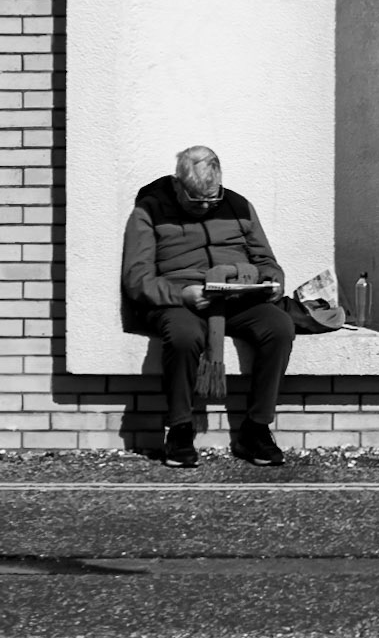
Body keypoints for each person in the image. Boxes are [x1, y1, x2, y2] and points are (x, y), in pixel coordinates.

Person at [121, 145, 294, 468]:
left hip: (236, 296)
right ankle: (180, 430)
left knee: (280, 327)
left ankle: (256, 429)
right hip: (180, 297)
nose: (205, 206)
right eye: (196, 199)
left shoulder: (239, 206)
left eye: (212, 199)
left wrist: (272, 280)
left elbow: (266, 260)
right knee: (185, 336)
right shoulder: (148, 211)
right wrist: (181, 295)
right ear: (177, 185)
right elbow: (137, 279)